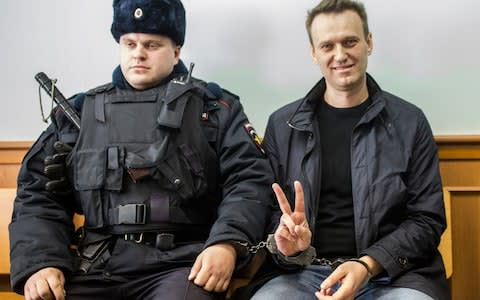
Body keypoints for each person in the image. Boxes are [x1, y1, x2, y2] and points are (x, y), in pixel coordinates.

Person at [9, 1, 274, 299]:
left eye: (152, 44)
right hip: (96, 264)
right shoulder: (79, 112)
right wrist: (42, 262)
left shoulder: (214, 109)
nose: (138, 53)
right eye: (130, 43)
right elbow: (38, 194)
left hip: (181, 266)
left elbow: (249, 183)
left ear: (176, 51)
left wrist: (226, 243)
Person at [244, 0, 450, 299]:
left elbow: (427, 219)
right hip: (302, 274)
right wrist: (287, 247)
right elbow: (270, 214)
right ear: (314, 53)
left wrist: (368, 265)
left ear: (369, 42)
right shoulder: (282, 125)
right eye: (327, 46)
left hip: (392, 275)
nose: (340, 55)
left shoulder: (410, 122)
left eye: (350, 41)